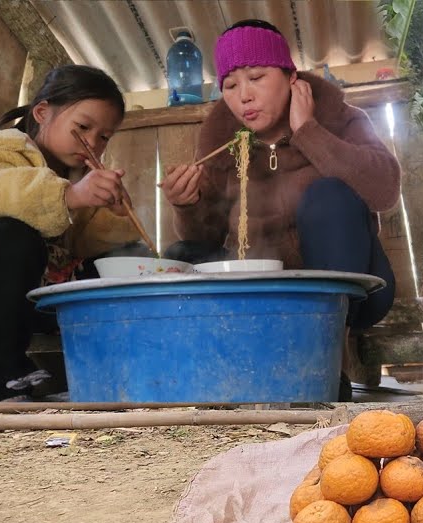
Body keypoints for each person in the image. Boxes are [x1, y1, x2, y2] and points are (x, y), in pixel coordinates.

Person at [158, 20, 401, 398]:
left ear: (290, 77)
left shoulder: (340, 118)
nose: (244, 96)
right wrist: (186, 204)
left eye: (256, 77)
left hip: (356, 297)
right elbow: (203, 238)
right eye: (230, 85)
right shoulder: (221, 141)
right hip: (266, 296)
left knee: (329, 196)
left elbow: (384, 190)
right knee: (182, 256)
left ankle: (330, 357)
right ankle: (209, 374)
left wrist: (308, 132)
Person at [0, 65, 136, 401]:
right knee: (11, 235)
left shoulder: (74, 175)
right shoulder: (1, 148)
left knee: (119, 263)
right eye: (83, 127)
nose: (92, 142)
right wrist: (68, 196)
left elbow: (81, 243)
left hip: (33, 298)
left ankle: (116, 371)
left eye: (104, 136)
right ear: (42, 113)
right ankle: (1, 380)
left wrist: (113, 213)